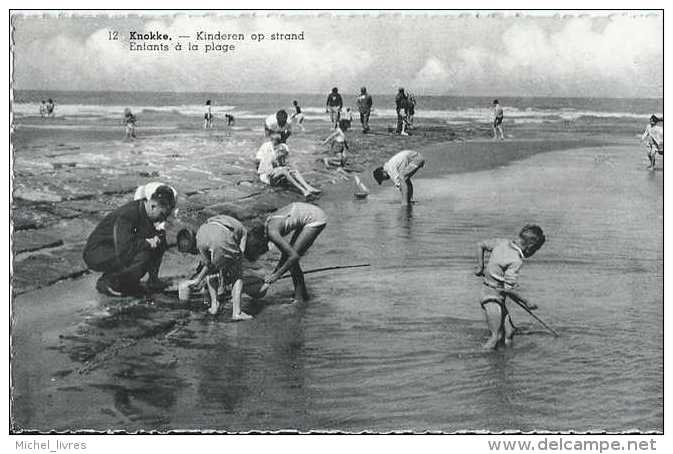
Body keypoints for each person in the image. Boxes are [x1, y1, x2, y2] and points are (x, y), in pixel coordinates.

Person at [82, 185, 176, 297]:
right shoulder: (128, 214)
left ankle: (151, 281)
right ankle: (110, 282)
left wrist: (156, 239)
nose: (162, 219)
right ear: (152, 205)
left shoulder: (146, 213)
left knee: (160, 240)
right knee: (144, 254)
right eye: (162, 215)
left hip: (115, 248)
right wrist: (147, 242)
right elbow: (125, 247)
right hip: (97, 252)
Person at [474, 225, 546, 350]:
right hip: (491, 297)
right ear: (530, 247)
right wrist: (526, 302)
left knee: (509, 332)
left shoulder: (502, 242)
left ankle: (504, 360)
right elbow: (509, 289)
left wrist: (480, 267)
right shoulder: (516, 260)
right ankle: (478, 361)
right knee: (495, 336)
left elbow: (480, 245)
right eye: (535, 250)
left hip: (494, 294)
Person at [257, 202, 327, 303]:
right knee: (290, 259)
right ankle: (303, 295)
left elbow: (293, 257)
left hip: (316, 218)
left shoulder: (272, 233)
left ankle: (299, 299)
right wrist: (274, 274)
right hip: (307, 213)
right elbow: (287, 256)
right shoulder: (267, 227)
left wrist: (276, 276)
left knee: (292, 261)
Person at [187, 215, 254, 320]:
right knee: (237, 274)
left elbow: (209, 264)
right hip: (222, 235)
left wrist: (199, 279)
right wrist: (239, 257)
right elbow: (240, 251)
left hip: (204, 236)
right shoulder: (242, 231)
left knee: (211, 271)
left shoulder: (201, 230)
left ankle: (214, 305)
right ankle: (237, 312)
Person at [256, 136, 321, 198]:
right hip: (266, 177)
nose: (283, 157)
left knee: (293, 170)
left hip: (274, 174)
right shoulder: (270, 157)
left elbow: (283, 165)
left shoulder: (279, 156)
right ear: (278, 151)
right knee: (284, 171)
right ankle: (303, 190)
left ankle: (308, 187)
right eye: (283, 155)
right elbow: (269, 173)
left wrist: (286, 168)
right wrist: (281, 168)